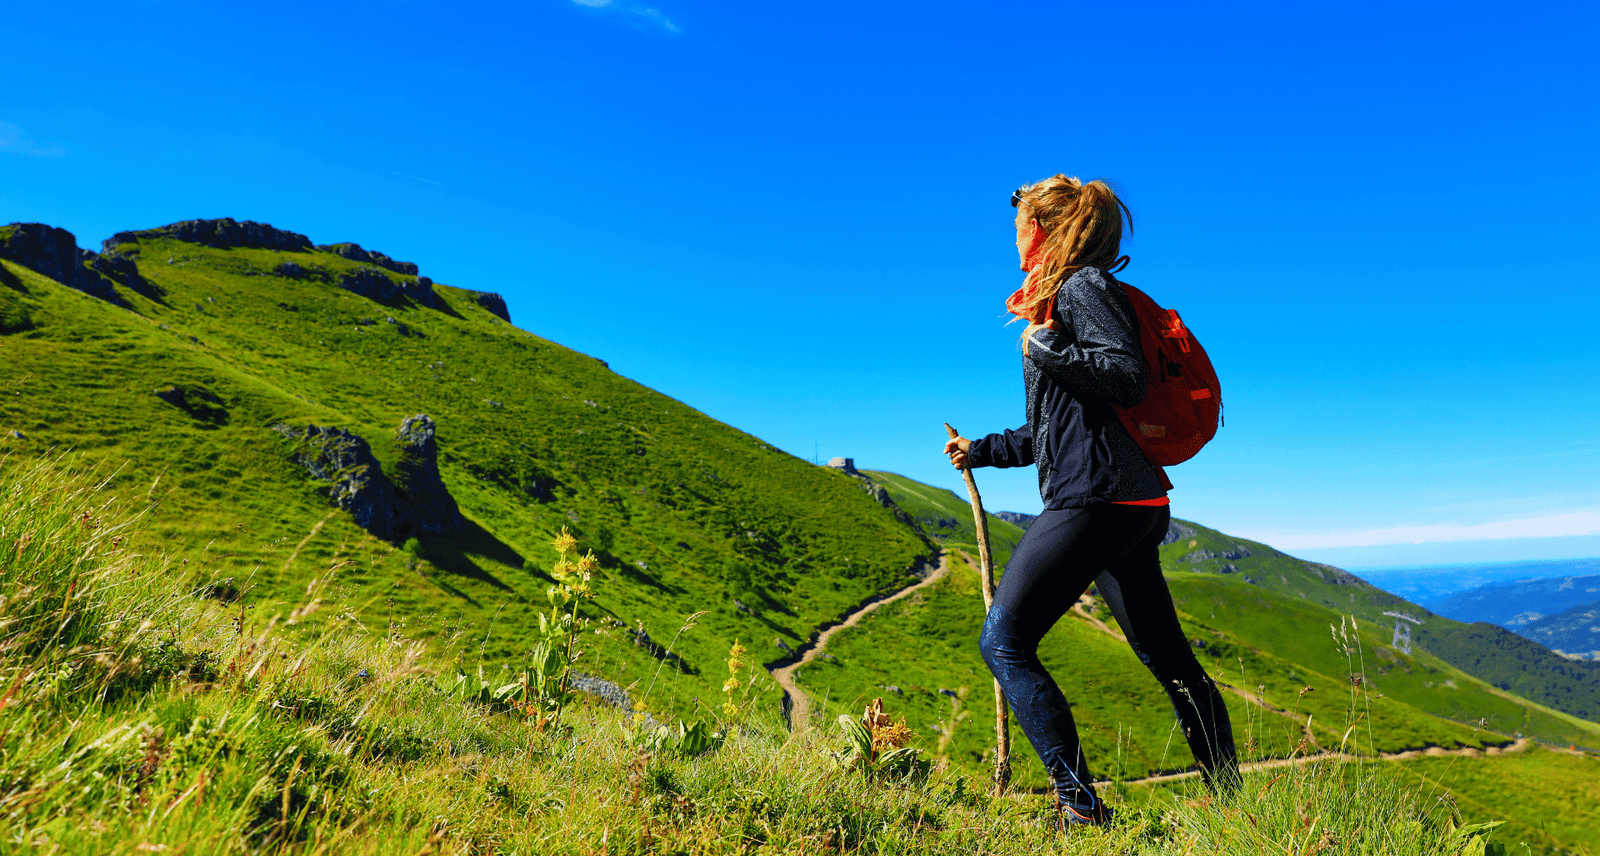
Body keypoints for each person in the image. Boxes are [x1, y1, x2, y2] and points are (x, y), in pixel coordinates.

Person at [943, 174, 1238, 828]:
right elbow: (1050, 430)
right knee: (1170, 661)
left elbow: (1125, 378)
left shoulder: (1081, 288)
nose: (1014, 236)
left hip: (1095, 501)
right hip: (1128, 506)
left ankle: (1078, 806)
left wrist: (1043, 346)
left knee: (1005, 642)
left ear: (1042, 228)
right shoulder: (1063, 302)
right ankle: (1233, 808)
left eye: (1020, 223)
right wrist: (981, 450)